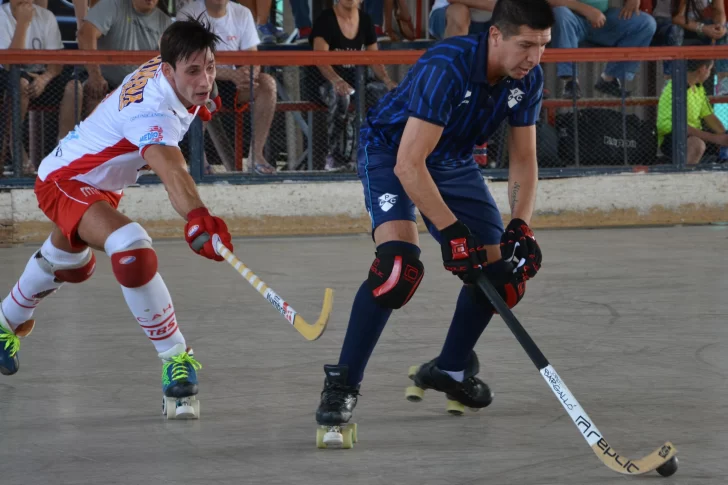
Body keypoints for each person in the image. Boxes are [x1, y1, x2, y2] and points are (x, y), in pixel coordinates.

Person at [313, 0, 549, 447]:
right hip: (392, 150)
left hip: (452, 160)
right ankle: (342, 383)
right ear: (495, 35)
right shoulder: (448, 66)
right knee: (396, 269)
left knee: (502, 275)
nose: (534, 57)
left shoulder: (528, 79)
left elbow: (524, 157)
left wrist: (521, 224)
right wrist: (454, 234)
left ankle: (451, 370)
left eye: (543, 45)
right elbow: (408, 164)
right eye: (525, 45)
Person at [0, 17, 233, 420]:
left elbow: (193, 90)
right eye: (194, 71)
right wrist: (198, 217)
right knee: (132, 250)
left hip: (101, 180)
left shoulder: (170, 70)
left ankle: (5, 322)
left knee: (70, 263)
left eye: (210, 67)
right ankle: (175, 357)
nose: (205, 79)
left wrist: (205, 99)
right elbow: (172, 170)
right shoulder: (152, 113)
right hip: (65, 179)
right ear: (168, 70)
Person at [309, 0, 397, 172]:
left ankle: (374, 154)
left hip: (359, 84)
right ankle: (334, 157)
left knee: (383, 94)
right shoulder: (325, 20)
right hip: (326, 83)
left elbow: (374, 58)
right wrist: (336, 80)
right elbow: (320, 59)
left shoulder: (365, 20)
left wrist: (387, 81)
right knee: (341, 96)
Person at [657, 59, 728, 164]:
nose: (709, 73)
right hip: (672, 137)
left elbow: (709, 115)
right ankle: (685, 172)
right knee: (697, 144)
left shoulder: (698, 88)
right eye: (709, 70)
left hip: (695, 133)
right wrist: (715, 138)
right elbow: (679, 126)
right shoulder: (676, 88)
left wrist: (724, 135)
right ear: (702, 70)